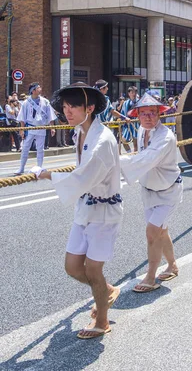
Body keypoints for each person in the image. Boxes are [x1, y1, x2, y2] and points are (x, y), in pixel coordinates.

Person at [36, 82, 122, 339]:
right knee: (73, 267)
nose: (68, 111)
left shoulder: (103, 139)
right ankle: (105, 291)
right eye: (65, 106)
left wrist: (48, 174)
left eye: (73, 106)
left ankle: (102, 321)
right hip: (85, 207)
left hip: (104, 212)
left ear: (90, 108)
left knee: (93, 268)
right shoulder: (79, 132)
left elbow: (84, 176)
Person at [120, 92, 182, 293]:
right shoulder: (141, 130)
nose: (148, 117)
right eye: (143, 113)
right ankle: (172, 265)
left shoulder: (165, 137)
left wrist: (115, 162)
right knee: (161, 231)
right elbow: (141, 157)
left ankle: (150, 277)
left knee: (152, 233)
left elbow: (147, 159)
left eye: (152, 113)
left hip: (167, 191)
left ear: (159, 114)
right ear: (137, 115)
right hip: (148, 190)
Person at [15, 83, 57, 176]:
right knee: (25, 148)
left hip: (41, 127)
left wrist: (52, 127)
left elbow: (50, 115)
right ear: (33, 91)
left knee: (40, 149)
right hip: (29, 127)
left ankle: (39, 167)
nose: (40, 89)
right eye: (38, 88)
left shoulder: (45, 101)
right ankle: (21, 167)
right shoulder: (26, 102)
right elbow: (22, 117)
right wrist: (21, 129)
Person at [121, 86, 139, 151]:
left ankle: (135, 157)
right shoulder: (125, 103)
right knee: (123, 141)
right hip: (127, 124)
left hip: (136, 124)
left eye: (135, 92)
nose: (134, 94)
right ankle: (129, 153)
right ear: (129, 93)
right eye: (132, 92)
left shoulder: (139, 102)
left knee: (136, 144)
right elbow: (122, 114)